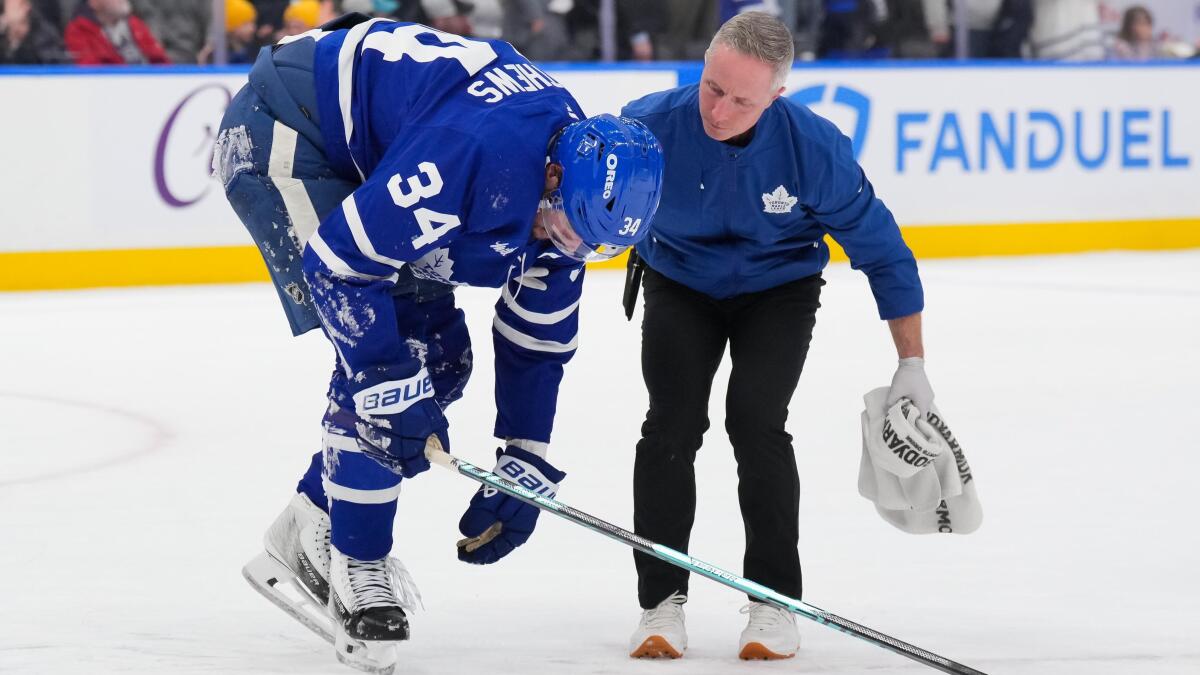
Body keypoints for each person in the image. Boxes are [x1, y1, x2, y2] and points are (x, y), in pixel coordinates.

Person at [212, 13, 664, 674]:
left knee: (440, 361)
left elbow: (536, 337)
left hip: (374, 142)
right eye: (575, 230)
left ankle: (309, 520)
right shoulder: (470, 155)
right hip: (285, 131)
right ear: (550, 178)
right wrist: (383, 374)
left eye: (597, 243)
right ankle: (356, 562)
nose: (578, 250)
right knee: (398, 361)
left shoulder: (573, 182)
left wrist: (525, 455)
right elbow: (339, 265)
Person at [620, 11, 932, 660]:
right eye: (712, 87)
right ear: (702, 66)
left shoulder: (813, 148)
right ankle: (660, 600)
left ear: (777, 97)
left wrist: (912, 364)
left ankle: (772, 602)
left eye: (742, 100)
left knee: (756, 422)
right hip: (679, 280)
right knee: (670, 425)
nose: (719, 110)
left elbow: (883, 250)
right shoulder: (645, 127)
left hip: (778, 290)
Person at [63, 0, 169, 65]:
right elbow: (89, 70)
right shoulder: (79, 29)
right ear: (94, 3)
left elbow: (160, 59)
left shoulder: (136, 24)